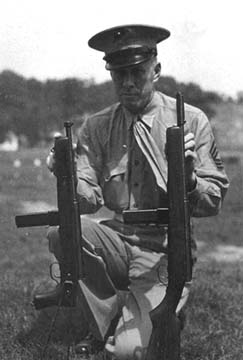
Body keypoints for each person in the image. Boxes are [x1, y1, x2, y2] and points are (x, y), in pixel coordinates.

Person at [47, 24, 229, 359]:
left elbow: (213, 201)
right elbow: (86, 200)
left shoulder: (190, 120)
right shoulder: (98, 126)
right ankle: (104, 321)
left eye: (137, 73)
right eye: (119, 75)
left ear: (156, 70)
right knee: (64, 233)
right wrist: (67, 176)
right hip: (119, 237)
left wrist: (188, 179)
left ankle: (159, 310)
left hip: (165, 248)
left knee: (129, 353)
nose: (128, 83)